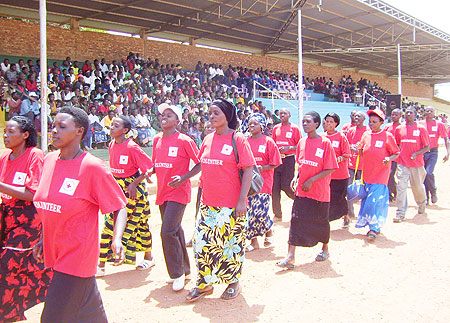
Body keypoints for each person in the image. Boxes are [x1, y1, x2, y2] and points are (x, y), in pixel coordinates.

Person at [32, 107, 129, 323]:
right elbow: (50, 206)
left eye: (62, 127)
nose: (54, 131)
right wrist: (43, 238)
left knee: (51, 319)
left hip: (76, 258)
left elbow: (119, 206)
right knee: (89, 314)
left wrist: (117, 239)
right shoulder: (48, 161)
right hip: (55, 255)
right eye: (54, 126)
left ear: (79, 131)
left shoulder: (93, 167)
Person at [187, 98, 255, 302]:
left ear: (227, 115)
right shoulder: (207, 139)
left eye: (216, 112)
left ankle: (234, 282)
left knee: (230, 245)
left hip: (232, 206)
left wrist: (242, 201)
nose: (212, 116)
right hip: (208, 204)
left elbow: (249, 168)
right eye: (210, 113)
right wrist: (184, 178)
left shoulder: (238, 139)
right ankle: (205, 283)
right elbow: (201, 163)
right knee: (202, 244)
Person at [0, 117, 53, 322]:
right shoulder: (5, 157)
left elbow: (33, 193)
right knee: (21, 267)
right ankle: (13, 310)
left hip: (28, 219)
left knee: (7, 264)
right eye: (5, 132)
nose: (6, 136)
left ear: (25, 135)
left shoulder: (35, 155)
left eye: (11, 132)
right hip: (7, 216)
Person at [276, 111, 338, 269]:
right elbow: (300, 164)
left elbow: (330, 168)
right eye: (303, 121)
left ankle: (325, 248)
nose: (304, 124)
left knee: (321, 221)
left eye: (308, 121)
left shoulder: (325, 143)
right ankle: (290, 256)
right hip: (302, 191)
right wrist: (296, 178)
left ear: (317, 124)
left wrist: (311, 180)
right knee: (296, 220)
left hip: (319, 191)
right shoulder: (302, 142)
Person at [97, 115, 155, 276]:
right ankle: (101, 263)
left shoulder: (132, 147)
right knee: (110, 223)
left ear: (125, 131)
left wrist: (134, 183)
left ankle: (149, 257)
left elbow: (150, 167)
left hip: (133, 191)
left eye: (116, 126)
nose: (111, 128)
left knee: (139, 224)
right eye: (111, 125)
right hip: (117, 189)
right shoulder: (111, 145)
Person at [152, 103, 200, 291]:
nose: (164, 117)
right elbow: (157, 164)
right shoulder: (157, 140)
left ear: (178, 121)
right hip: (163, 191)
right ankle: (186, 269)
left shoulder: (184, 140)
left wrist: (183, 178)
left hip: (179, 192)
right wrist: (149, 171)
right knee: (175, 230)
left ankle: (176, 274)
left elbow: (199, 164)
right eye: (162, 115)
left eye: (169, 115)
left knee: (167, 232)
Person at [355, 109, 400, 240]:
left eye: (375, 122)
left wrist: (389, 159)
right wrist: (358, 149)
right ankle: (372, 225)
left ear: (381, 122)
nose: (371, 124)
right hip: (367, 174)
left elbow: (396, 152)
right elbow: (362, 152)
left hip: (381, 174)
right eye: (370, 121)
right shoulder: (366, 135)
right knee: (367, 200)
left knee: (373, 201)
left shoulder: (388, 136)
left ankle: (374, 228)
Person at [246, 113, 282, 251]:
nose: (251, 126)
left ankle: (269, 230)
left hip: (263, 182)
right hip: (248, 183)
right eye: (250, 124)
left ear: (262, 126)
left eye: (255, 124)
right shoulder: (246, 142)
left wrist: (263, 168)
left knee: (260, 212)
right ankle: (253, 242)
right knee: (250, 213)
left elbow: (276, 162)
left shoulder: (268, 142)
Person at [393, 107, 430, 222]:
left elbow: (427, 147)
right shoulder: (399, 129)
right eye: (407, 112)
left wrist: (416, 154)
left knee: (417, 186)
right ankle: (400, 212)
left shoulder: (421, 129)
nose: (408, 114)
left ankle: (421, 203)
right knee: (401, 187)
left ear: (415, 115)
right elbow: (397, 144)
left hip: (417, 164)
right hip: (402, 163)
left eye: (411, 113)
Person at [271, 108, 301, 221]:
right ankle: (277, 214)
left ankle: (300, 204)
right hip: (277, 160)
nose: (282, 115)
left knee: (287, 186)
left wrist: (289, 148)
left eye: (285, 113)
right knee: (275, 189)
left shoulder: (295, 128)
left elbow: (300, 144)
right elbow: (273, 144)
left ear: (289, 115)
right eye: (281, 113)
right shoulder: (276, 128)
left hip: (288, 160)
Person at [323, 112, 352, 227]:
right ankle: (327, 218)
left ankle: (345, 216)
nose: (329, 124)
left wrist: (334, 160)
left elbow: (346, 154)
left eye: (331, 122)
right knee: (327, 197)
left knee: (339, 197)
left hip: (340, 174)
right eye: (327, 121)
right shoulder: (322, 137)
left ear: (336, 124)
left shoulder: (341, 137)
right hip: (326, 174)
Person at [418, 106, 449, 204]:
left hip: (433, 152)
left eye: (431, 111)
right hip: (422, 152)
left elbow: (446, 139)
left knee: (429, 172)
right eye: (427, 111)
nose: (429, 112)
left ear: (434, 113)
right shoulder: (420, 124)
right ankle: (426, 197)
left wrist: (448, 152)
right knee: (423, 174)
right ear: (424, 113)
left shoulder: (439, 124)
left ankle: (433, 191)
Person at [345, 111, 368, 218]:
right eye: (355, 116)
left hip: (363, 166)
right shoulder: (350, 130)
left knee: (364, 191)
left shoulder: (367, 131)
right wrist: (352, 149)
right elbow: (347, 145)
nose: (356, 118)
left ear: (363, 119)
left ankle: (363, 214)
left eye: (359, 116)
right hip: (350, 165)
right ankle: (350, 212)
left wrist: (357, 150)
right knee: (349, 189)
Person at [384, 108, 402, 202]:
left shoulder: (402, 127)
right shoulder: (387, 126)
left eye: (396, 115)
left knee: (391, 175)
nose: (394, 116)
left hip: (396, 155)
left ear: (400, 116)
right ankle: (390, 194)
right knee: (387, 175)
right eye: (392, 114)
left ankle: (394, 192)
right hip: (387, 155)